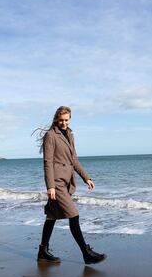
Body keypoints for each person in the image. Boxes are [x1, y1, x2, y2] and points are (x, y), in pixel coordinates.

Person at [36, 106, 106, 264]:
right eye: (61, 120)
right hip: (57, 183)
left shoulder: (70, 135)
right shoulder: (50, 135)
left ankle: (42, 251)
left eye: (66, 120)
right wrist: (50, 186)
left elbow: (74, 160)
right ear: (56, 119)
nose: (63, 123)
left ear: (70, 119)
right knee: (74, 215)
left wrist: (86, 178)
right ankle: (86, 252)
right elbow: (47, 162)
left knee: (52, 217)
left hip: (67, 182)